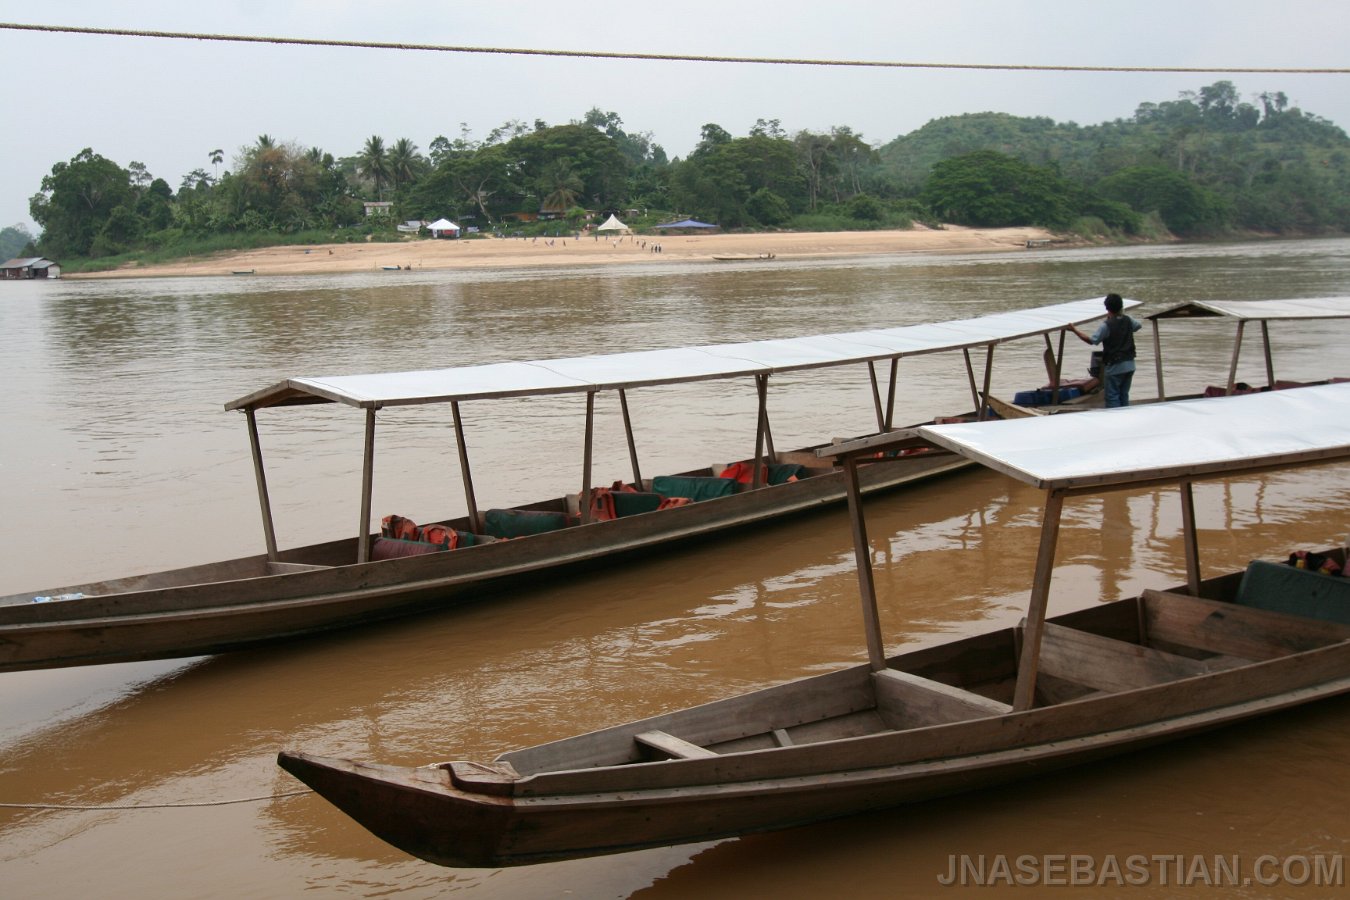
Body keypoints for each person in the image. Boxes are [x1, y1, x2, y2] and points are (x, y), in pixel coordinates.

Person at [1069, 293, 1143, 407]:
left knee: (1112, 397)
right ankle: (1126, 415)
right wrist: (1122, 318)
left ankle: (1114, 417)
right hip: (1130, 365)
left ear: (1107, 309)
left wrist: (1074, 330)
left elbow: (1091, 341)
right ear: (1121, 307)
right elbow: (1138, 326)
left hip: (1115, 367)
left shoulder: (1106, 325)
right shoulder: (1128, 320)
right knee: (1124, 395)